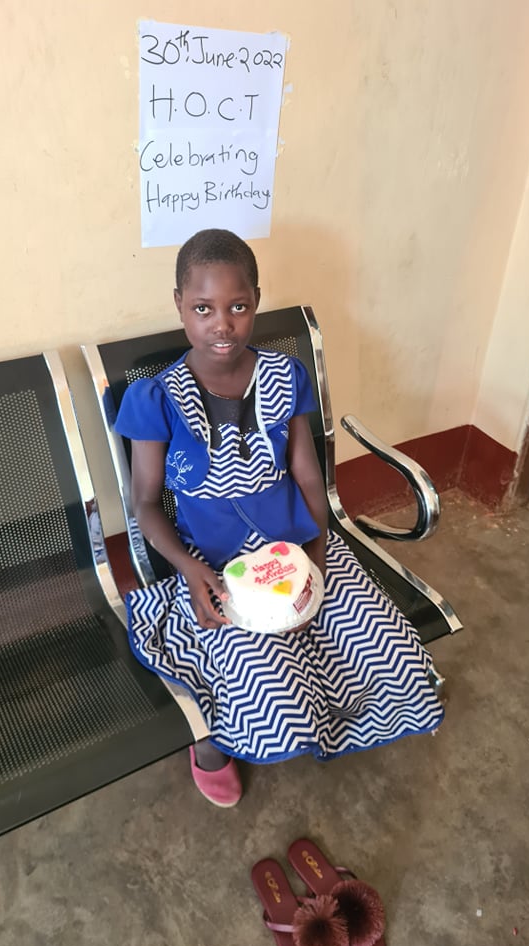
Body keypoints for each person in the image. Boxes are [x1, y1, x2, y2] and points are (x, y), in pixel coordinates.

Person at [115, 228, 444, 807]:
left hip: (300, 542)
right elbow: (144, 503)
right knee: (264, 677)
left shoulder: (285, 377)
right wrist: (192, 572)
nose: (222, 324)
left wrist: (316, 560)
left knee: (387, 647)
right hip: (216, 563)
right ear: (179, 306)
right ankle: (211, 740)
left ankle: (337, 711)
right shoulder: (155, 399)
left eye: (238, 307)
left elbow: (309, 478)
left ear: (257, 302)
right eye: (203, 308)